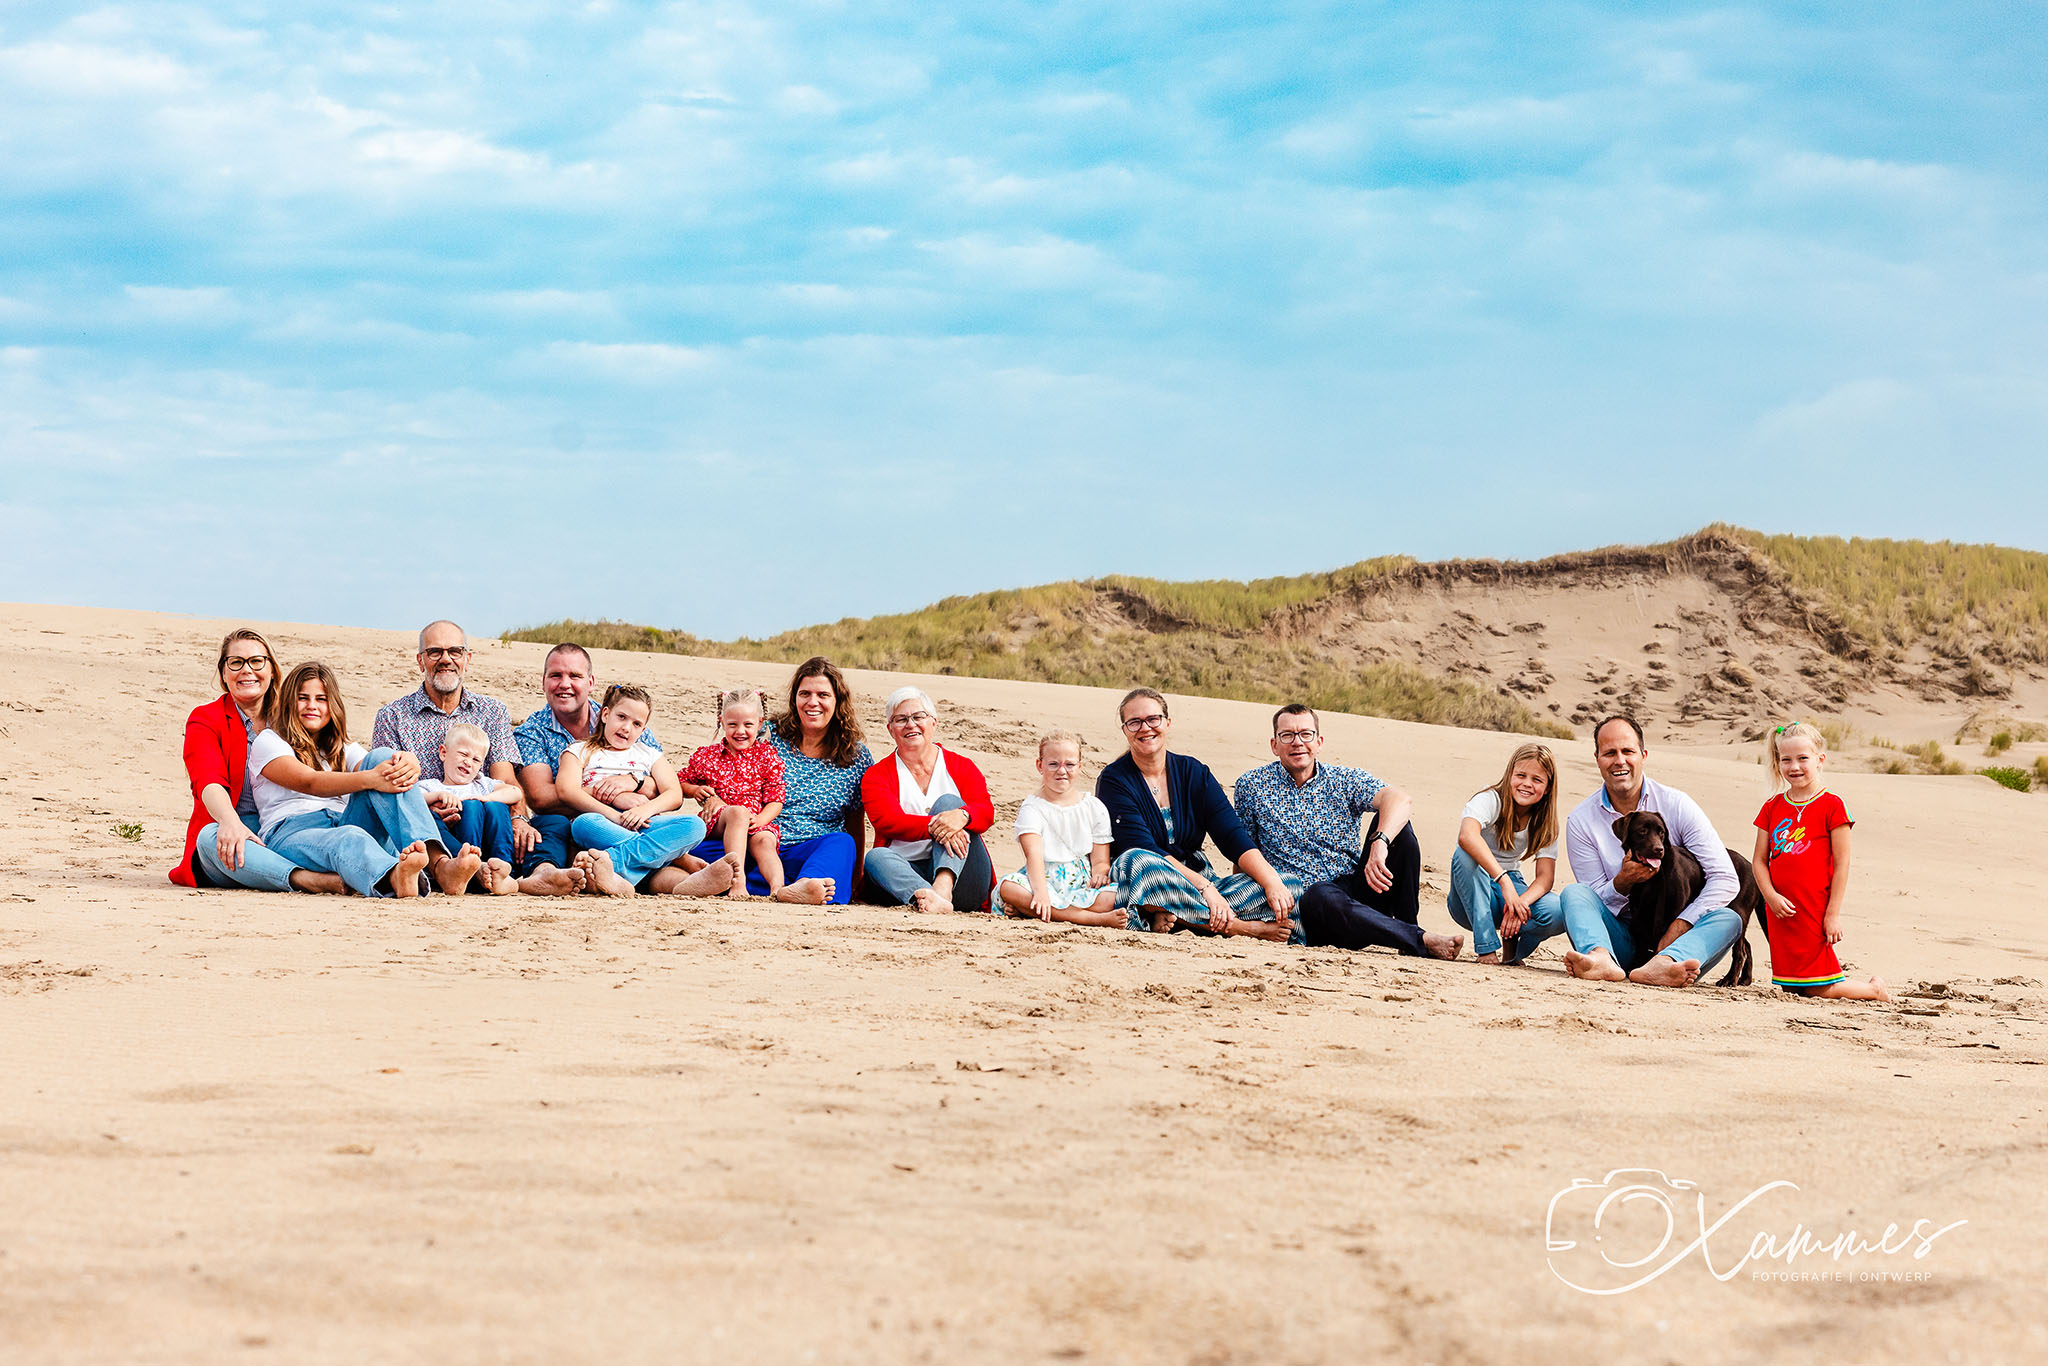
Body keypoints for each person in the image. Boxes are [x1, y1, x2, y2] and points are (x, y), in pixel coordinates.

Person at [1234, 703, 1460, 958]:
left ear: (1319, 742)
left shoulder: (1343, 779)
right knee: (1320, 893)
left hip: (1359, 892)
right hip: (1309, 907)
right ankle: (1418, 938)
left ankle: (1408, 932)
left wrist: (1380, 844)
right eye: (1287, 735)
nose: (1297, 742)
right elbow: (1244, 851)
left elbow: (1400, 799)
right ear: (1274, 745)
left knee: (1400, 830)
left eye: (1306, 734)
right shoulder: (1252, 786)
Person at [251, 662, 480, 898]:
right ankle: (395, 877)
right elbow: (310, 782)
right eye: (302, 698)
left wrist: (409, 761)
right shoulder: (269, 741)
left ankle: (440, 866)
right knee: (350, 837)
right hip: (292, 832)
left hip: (343, 820)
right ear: (289, 701)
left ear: (333, 705)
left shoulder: (340, 747)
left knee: (383, 757)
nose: (312, 706)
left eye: (321, 699)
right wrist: (372, 778)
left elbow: (383, 773)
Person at [1097, 688, 1299, 941]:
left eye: (1153, 719)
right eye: (1134, 722)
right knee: (1139, 861)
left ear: (1167, 723)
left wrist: (1271, 882)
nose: (1145, 728)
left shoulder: (1194, 772)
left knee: (1290, 885)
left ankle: (1175, 916)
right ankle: (1238, 927)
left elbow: (1232, 835)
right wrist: (1205, 889)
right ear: (1125, 730)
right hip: (1149, 878)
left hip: (1195, 878)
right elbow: (1142, 847)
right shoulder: (1114, 780)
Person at [1560, 716, 1745, 987]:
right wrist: (1622, 882)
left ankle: (1665, 966)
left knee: (1729, 919)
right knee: (1573, 894)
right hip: (1621, 941)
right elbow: (1592, 898)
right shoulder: (1581, 820)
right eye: (1609, 753)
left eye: (1628, 751)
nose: (1619, 760)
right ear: (1597, 758)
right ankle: (1599, 959)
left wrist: (1680, 925)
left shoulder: (1677, 805)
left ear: (1643, 755)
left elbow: (1725, 878)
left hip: (1678, 943)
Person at [171, 628, 343, 895]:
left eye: (256, 661)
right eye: (236, 663)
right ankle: (303, 879)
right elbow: (208, 780)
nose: (246, 670)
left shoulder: (294, 714)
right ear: (224, 673)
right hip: (238, 824)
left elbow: (333, 755)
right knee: (209, 838)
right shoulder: (206, 719)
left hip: (293, 824)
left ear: (272, 669)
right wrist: (230, 823)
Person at [1751, 723, 1890, 1001]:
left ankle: (1873, 990)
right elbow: (1758, 861)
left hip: (1814, 906)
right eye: (1786, 759)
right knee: (1792, 984)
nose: (1794, 766)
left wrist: (1832, 915)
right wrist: (1771, 897)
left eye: (1803, 758)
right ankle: (1868, 988)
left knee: (1817, 985)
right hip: (1781, 910)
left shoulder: (1832, 805)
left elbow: (1842, 865)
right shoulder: (1772, 807)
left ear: (1819, 759)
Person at [554, 684, 720, 898]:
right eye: (621, 717)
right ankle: (670, 858)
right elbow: (567, 790)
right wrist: (614, 814)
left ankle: (613, 863)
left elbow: (674, 794)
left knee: (695, 826)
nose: (626, 728)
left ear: (643, 730)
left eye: (636, 724)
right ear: (605, 714)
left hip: (644, 823)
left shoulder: (649, 755)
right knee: (583, 824)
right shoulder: (580, 750)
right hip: (602, 822)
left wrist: (645, 811)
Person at [746, 657, 870, 905]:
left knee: (842, 843)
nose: (813, 702)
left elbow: (855, 822)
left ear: (837, 701)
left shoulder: (856, 756)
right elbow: (728, 769)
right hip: (760, 843)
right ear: (795, 699)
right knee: (703, 851)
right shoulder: (768, 736)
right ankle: (779, 887)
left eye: (823, 695)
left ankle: (805, 886)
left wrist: (856, 880)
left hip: (815, 852)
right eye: (805, 694)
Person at [860, 687, 996, 913]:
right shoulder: (876, 776)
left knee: (950, 803)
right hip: (905, 878)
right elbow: (888, 821)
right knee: (875, 857)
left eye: (918, 717)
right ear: (890, 729)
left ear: (933, 722)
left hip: (964, 877)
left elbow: (986, 811)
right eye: (900, 719)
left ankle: (942, 888)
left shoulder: (962, 766)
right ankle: (929, 899)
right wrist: (942, 825)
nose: (910, 724)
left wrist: (962, 816)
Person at [1447, 743, 1567, 964]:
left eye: (1537, 780)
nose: (1527, 784)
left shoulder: (1546, 822)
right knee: (1465, 855)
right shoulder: (1489, 799)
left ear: (1548, 787)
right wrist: (1504, 882)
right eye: (1521, 775)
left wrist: (1519, 903)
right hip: (1470, 892)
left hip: (1509, 889)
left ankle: (1513, 949)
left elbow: (1545, 877)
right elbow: (1467, 836)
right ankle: (1486, 949)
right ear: (1510, 774)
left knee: (1557, 911)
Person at [995, 731, 1122, 927]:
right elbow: (1034, 856)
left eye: (1069, 764)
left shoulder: (1094, 807)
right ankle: (1092, 919)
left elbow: (1100, 860)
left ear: (1080, 767)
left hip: (1081, 882)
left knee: (1116, 896)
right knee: (1009, 888)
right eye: (1053, 764)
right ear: (1040, 765)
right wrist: (1041, 893)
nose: (1062, 771)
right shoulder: (1033, 808)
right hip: (1042, 878)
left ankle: (1033, 911)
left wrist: (1099, 874)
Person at [677, 688, 787, 899]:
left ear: (760, 723)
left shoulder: (767, 756)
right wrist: (696, 790)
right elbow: (680, 780)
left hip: (756, 820)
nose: (740, 731)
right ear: (721, 722)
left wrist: (761, 819)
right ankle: (738, 881)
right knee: (737, 813)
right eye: (733, 725)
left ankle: (778, 889)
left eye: (748, 725)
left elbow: (775, 799)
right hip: (720, 819)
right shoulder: (708, 756)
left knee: (765, 841)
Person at [418, 722, 522, 895]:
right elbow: (412, 801)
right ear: (443, 753)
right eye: (463, 754)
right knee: (468, 807)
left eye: (476, 760)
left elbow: (515, 792)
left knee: (495, 806)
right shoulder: (431, 786)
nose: (468, 762)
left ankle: (503, 869)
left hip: (487, 847)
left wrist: (486, 798)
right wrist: (436, 797)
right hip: (457, 847)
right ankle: (470, 868)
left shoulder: (482, 784)